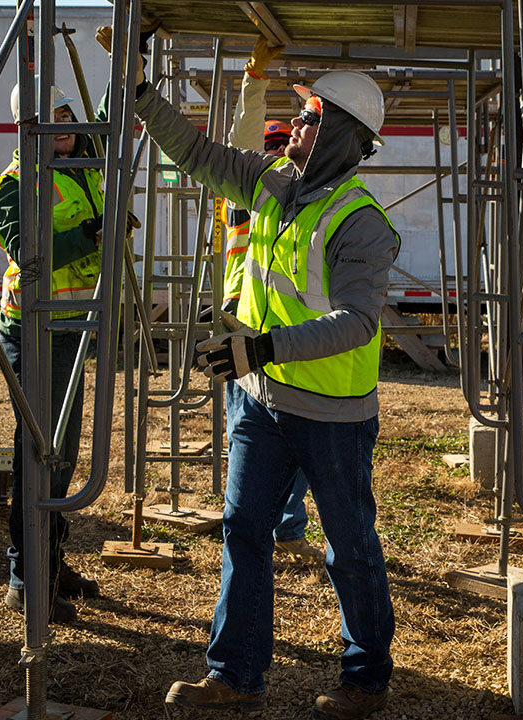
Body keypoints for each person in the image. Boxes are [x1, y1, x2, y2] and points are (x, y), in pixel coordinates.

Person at [101, 27, 399, 717]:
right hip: (263, 405)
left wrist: (260, 349)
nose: (293, 124)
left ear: (340, 136)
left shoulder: (362, 223)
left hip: (333, 415)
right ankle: (235, 678)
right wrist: (142, 92)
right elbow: (198, 153)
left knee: (349, 547)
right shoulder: (271, 182)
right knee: (243, 530)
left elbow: (356, 323)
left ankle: (366, 680)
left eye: (309, 117)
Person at [0, 84, 102, 623]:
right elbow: (26, 256)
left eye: (67, 114)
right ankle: (24, 576)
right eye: (52, 119)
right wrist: (91, 234)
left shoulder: (85, 165)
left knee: (63, 455)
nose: (67, 126)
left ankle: (51, 562)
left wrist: (133, 57)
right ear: (28, 128)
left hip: (71, 325)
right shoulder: (12, 186)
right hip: (33, 330)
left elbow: (115, 120)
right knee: (39, 456)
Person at [223, 39, 324, 565]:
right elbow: (241, 139)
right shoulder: (251, 191)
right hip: (245, 321)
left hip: (289, 331)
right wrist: (254, 81)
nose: (280, 150)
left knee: (297, 440)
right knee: (248, 435)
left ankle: (285, 527)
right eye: (275, 143)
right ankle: (254, 526)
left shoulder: (316, 196)